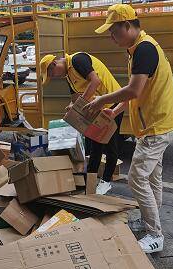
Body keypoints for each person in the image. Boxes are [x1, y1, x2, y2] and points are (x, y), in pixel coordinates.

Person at [85, 4, 173, 253]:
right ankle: (152, 223)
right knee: (153, 178)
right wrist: (115, 111)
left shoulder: (145, 50)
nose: (111, 37)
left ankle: (155, 234)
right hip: (157, 125)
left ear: (127, 26)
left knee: (136, 178)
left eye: (113, 31)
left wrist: (101, 100)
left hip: (155, 128)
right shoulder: (139, 48)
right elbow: (137, 90)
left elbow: (134, 90)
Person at [40, 52, 123, 195]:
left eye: (52, 74)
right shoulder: (68, 76)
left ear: (54, 64)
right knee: (93, 145)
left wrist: (78, 105)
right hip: (97, 107)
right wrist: (71, 108)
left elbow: (95, 81)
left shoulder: (78, 60)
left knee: (110, 145)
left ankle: (106, 181)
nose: (54, 77)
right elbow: (74, 98)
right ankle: (89, 181)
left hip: (113, 104)